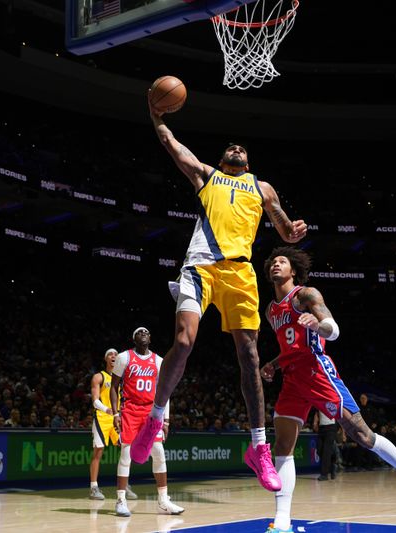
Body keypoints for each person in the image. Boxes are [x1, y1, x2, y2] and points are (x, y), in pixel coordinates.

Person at [131, 95, 308, 494]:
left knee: (249, 357)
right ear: (225, 156)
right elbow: (170, 144)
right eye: (232, 147)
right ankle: (155, 420)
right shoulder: (207, 175)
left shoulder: (262, 187)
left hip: (241, 272)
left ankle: (259, 449)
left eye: (243, 147)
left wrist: (291, 232)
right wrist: (155, 113)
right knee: (184, 339)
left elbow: (282, 228)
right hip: (200, 265)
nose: (238, 148)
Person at [259, 247, 396, 532]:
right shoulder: (271, 310)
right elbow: (290, 346)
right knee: (282, 446)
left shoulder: (305, 295)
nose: (276, 264)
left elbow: (333, 329)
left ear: (293, 270)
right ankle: (282, 522)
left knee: (362, 434)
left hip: (318, 372)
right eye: (273, 261)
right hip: (292, 379)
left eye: (282, 261)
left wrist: (320, 326)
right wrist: (273, 364)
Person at [110, 327, 184, 518]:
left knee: (159, 453)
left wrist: (166, 420)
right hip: (130, 411)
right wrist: (116, 413)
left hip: (151, 413)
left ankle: (163, 501)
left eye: (146, 331)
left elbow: (164, 391)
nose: (143, 332)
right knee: (126, 454)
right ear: (134, 338)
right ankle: (120, 500)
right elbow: (114, 386)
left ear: (150, 338)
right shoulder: (124, 357)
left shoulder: (159, 361)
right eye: (139, 332)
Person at [89, 348, 136, 501]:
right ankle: (93, 487)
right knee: (98, 452)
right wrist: (107, 409)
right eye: (110, 354)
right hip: (102, 417)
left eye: (116, 354)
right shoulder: (99, 377)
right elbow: (95, 400)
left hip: (115, 418)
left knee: (126, 450)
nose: (114, 356)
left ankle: (125, 486)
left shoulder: (120, 380)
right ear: (106, 359)